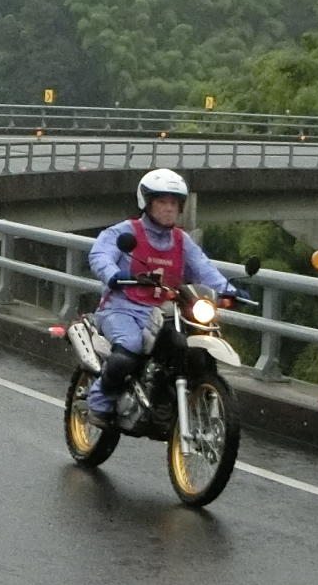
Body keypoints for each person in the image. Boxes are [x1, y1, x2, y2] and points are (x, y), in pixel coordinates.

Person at [82, 168, 235, 423]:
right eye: (162, 202)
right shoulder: (125, 232)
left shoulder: (181, 240)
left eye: (174, 203)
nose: (169, 209)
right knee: (128, 350)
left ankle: (170, 397)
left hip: (165, 311)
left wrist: (228, 290)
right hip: (123, 308)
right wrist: (113, 274)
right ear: (147, 203)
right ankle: (98, 403)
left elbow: (204, 268)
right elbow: (100, 254)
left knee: (187, 346)